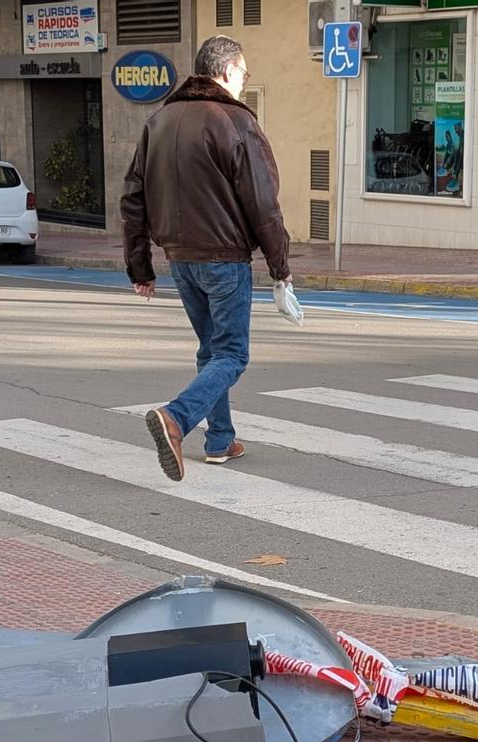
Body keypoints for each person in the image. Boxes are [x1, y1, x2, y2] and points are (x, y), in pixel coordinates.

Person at [121, 35, 291, 482]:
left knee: (211, 351)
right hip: (224, 258)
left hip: (180, 259)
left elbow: (133, 198)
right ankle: (176, 418)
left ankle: (219, 440)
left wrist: (140, 266)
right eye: (244, 73)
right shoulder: (235, 120)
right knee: (232, 354)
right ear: (228, 71)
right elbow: (262, 200)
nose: (244, 81)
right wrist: (280, 265)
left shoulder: (158, 121)